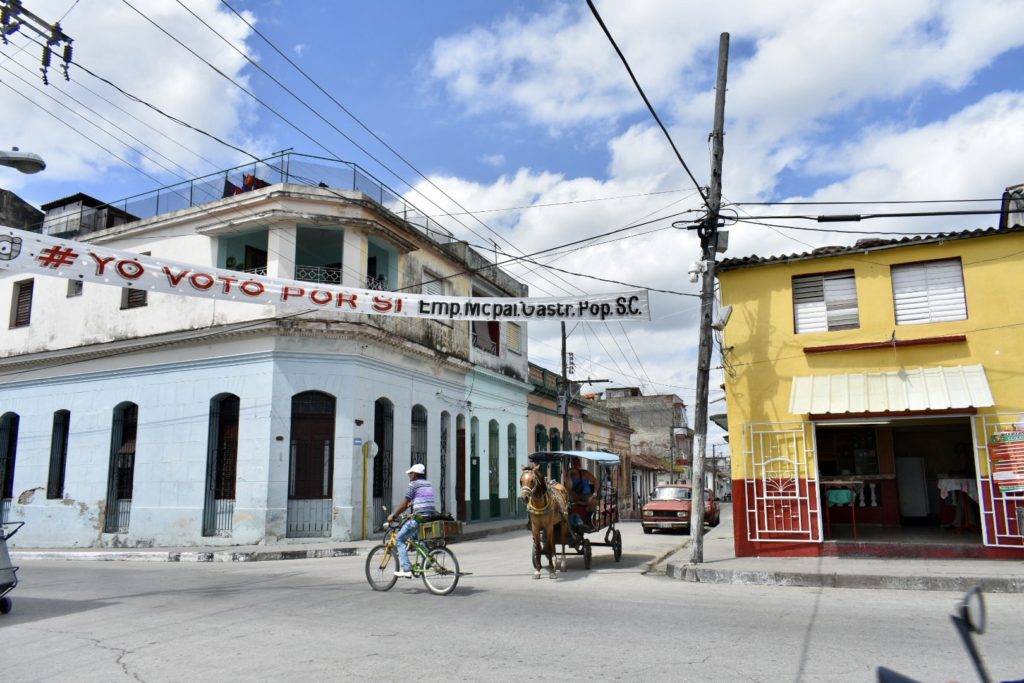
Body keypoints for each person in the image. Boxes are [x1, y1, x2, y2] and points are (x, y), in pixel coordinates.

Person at [387, 463, 437, 579]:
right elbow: (422, 500)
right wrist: (412, 507)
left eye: (410, 473)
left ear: (414, 474)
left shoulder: (413, 484)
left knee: (399, 540)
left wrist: (393, 516)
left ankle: (406, 569)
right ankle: (429, 559)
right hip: (429, 516)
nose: (409, 475)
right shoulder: (428, 484)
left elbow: (404, 504)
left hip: (419, 518)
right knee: (416, 539)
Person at [565, 457, 599, 529]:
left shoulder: (585, 473)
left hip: (586, 495)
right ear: (572, 464)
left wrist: (595, 493)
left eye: (577, 463)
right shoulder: (569, 475)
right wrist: (569, 474)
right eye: (574, 463)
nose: (576, 465)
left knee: (592, 502)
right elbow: (568, 488)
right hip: (574, 496)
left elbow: (595, 482)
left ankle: (589, 520)